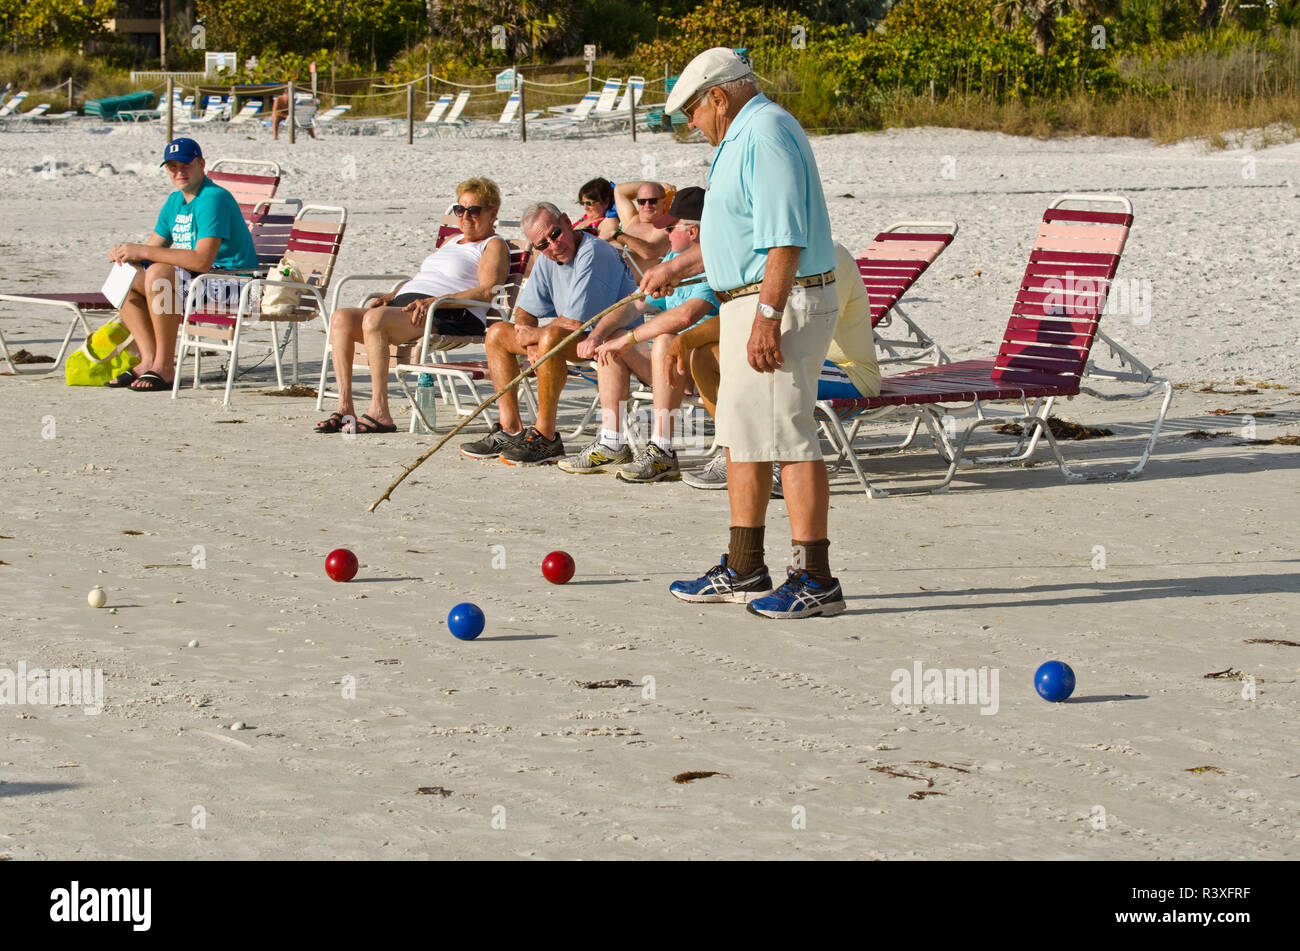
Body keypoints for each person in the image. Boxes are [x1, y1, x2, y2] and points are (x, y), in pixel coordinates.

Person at [639, 48, 844, 620]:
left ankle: (815, 577)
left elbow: (784, 239)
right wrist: (675, 268)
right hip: (744, 301)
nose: (690, 124)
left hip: (780, 300)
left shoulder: (766, 134)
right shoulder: (739, 138)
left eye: (692, 113)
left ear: (719, 98)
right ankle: (745, 564)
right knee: (742, 435)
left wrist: (768, 318)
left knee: (788, 436)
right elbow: (741, 234)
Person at [677, 243, 880, 493]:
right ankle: (734, 448)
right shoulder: (780, 257)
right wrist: (686, 341)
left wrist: (685, 339)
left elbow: (791, 322)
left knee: (751, 361)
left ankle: (770, 456)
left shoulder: (827, 258)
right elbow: (746, 319)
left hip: (850, 375)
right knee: (705, 356)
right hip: (806, 361)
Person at [315, 177, 510, 434]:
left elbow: (487, 291)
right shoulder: (451, 241)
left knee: (375, 320)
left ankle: (380, 411)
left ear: (492, 213)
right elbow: (427, 278)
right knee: (341, 317)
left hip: (450, 311)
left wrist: (436, 302)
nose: (465, 216)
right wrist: (393, 294)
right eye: (459, 209)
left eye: (473, 210)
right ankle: (345, 407)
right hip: (413, 304)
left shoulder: (492, 245)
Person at [557, 186, 719, 483]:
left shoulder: (715, 268)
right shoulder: (672, 260)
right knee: (610, 341)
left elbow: (685, 316)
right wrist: (599, 334)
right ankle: (611, 442)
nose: (666, 235)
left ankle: (662, 451)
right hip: (669, 368)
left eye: (671, 228)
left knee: (666, 339)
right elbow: (634, 306)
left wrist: (630, 339)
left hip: (704, 368)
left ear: (693, 232)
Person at [458, 201, 636, 466]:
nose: (553, 246)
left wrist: (536, 337)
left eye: (555, 234)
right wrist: (530, 338)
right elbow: (525, 312)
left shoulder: (593, 252)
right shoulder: (548, 258)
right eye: (542, 244)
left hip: (612, 340)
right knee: (496, 333)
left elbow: (574, 323)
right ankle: (510, 430)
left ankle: (546, 436)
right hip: (575, 338)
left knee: (551, 338)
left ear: (566, 220)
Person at [106, 137, 258, 392]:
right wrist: (125, 253)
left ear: (201, 164)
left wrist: (143, 251)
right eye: (172, 166)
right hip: (199, 281)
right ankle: (148, 361)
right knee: (125, 275)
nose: (179, 172)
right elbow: (150, 250)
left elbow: (201, 260)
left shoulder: (213, 198)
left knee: (160, 272)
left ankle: (165, 367)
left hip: (236, 284)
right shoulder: (175, 201)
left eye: (186, 164)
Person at [609, 180, 673, 276]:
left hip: (638, 287)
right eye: (642, 201)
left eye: (653, 201)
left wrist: (619, 236)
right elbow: (619, 190)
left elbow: (649, 252)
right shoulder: (633, 219)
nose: (647, 206)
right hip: (614, 279)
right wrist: (659, 185)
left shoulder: (665, 225)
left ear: (663, 202)